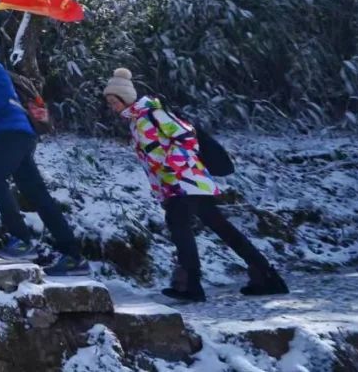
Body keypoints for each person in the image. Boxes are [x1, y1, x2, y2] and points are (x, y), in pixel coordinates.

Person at [103, 68, 288, 302]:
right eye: (109, 101)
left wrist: (173, 169)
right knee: (221, 227)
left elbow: (187, 136)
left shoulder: (152, 114)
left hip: (184, 181)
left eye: (113, 100)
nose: (111, 106)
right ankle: (266, 275)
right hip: (183, 182)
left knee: (179, 225)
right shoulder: (136, 120)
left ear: (126, 98)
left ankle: (190, 284)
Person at [0, 39, 89, 276]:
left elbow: (4, 93)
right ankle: (73, 256)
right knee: (37, 194)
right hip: (8, 135)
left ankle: (22, 240)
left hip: (14, 131)